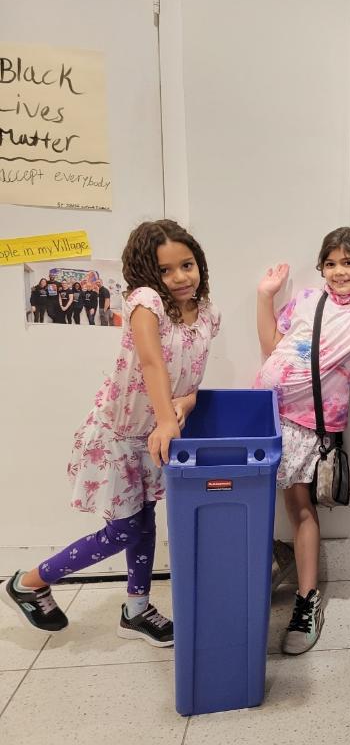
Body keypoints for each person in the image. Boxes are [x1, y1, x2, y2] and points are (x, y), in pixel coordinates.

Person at [1, 220, 220, 646]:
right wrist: (166, 420)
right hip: (121, 434)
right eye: (166, 270)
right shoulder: (145, 301)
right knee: (122, 531)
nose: (179, 277)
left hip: (155, 434)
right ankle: (28, 582)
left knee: (143, 521)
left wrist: (186, 405)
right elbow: (153, 363)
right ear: (147, 273)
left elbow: (191, 377)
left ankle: (136, 609)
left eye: (187, 265)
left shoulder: (209, 311)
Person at [254, 226, 350, 656]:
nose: (339, 271)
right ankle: (276, 558)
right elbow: (271, 348)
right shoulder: (306, 300)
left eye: (349, 263)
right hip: (266, 414)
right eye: (331, 263)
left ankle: (307, 600)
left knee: (301, 508)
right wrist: (265, 297)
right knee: (261, 501)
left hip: (309, 425)